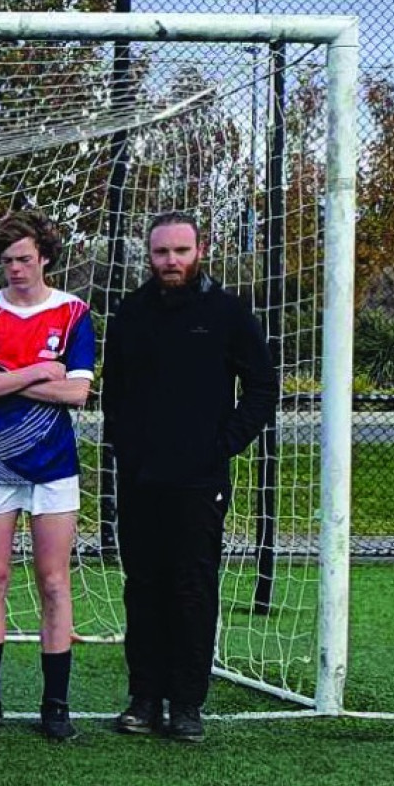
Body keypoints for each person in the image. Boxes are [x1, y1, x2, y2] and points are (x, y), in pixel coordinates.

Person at [102, 211, 279, 742]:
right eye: (161, 253)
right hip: (140, 478)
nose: (170, 261)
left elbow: (263, 388)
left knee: (193, 587)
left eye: (180, 251)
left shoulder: (226, 312)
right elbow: (115, 393)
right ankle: (144, 697)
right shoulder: (131, 312)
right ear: (149, 255)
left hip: (199, 481)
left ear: (199, 250)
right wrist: (125, 451)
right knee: (144, 586)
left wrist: (221, 445)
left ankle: (186, 704)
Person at [0, 211, 96, 741]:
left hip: (53, 465)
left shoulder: (74, 313)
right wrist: (33, 373)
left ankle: (55, 704)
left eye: (25, 259)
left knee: (53, 581)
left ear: (45, 257)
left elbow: (77, 393)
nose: (16, 269)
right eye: (7, 261)